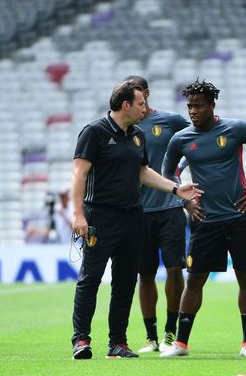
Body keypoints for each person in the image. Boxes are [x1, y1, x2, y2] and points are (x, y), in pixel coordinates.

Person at [70, 79, 202, 360]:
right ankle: (81, 339)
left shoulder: (137, 135)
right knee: (90, 279)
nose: (145, 108)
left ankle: (118, 342)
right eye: (141, 103)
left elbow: (143, 173)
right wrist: (78, 214)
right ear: (126, 105)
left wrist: (176, 188)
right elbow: (79, 174)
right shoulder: (94, 132)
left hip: (132, 217)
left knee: (125, 281)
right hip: (99, 217)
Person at [159, 79, 246, 359]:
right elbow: (168, 173)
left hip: (240, 216)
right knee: (195, 280)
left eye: (198, 106)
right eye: (189, 106)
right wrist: (184, 200)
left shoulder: (235, 128)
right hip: (205, 220)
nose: (192, 111)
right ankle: (181, 345)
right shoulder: (181, 139)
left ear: (212, 105)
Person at [124, 76, 191, 354]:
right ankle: (151, 337)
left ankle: (170, 332)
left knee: (175, 269)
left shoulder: (170, 121)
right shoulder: (122, 127)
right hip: (138, 212)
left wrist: (179, 170)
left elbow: (198, 139)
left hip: (170, 208)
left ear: (146, 94)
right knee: (145, 274)